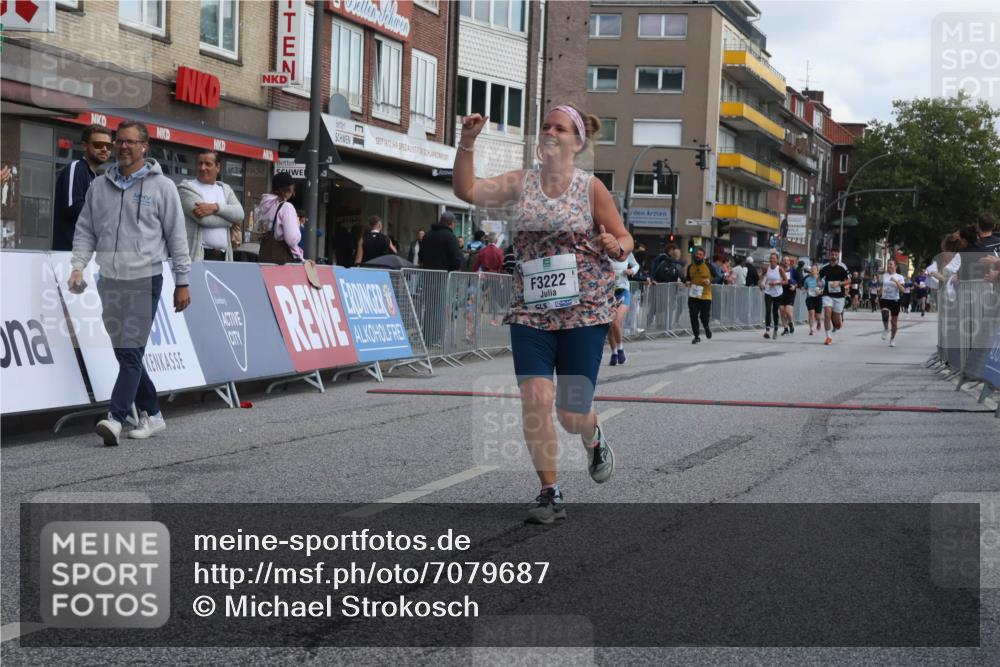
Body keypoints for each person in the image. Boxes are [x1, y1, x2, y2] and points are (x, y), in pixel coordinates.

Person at [453, 104, 631, 524]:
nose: (550, 132)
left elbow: (624, 238)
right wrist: (467, 142)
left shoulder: (591, 189)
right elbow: (467, 191)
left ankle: (592, 435)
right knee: (535, 398)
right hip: (531, 311)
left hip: (584, 311)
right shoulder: (522, 182)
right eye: (546, 126)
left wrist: (616, 246)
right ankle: (550, 492)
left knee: (571, 414)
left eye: (560, 128)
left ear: (576, 142)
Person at [66, 120, 191, 446]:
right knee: (125, 353)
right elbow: (86, 230)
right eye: (119, 141)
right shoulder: (99, 186)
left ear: (144, 146)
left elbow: (177, 237)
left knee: (131, 350)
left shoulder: (163, 187)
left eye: (130, 142)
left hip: (145, 278)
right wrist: (78, 267)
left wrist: (182, 281)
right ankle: (154, 414)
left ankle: (115, 418)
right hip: (109, 280)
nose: (122, 147)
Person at [53, 124, 113, 250]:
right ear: (84, 146)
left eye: (108, 146)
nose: (104, 149)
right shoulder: (76, 168)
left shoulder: (98, 179)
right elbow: (73, 207)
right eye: (98, 144)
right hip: (70, 253)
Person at [178, 151, 244, 262]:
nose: (203, 167)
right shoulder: (187, 188)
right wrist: (231, 221)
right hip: (199, 256)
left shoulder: (225, 189)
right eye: (200, 163)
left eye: (208, 164)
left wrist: (215, 207)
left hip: (224, 257)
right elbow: (205, 220)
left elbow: (240, 214)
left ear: (218, 167)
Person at [257, 172, 303, 263]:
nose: (293, 194)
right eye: (292, 190)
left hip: (266, 257)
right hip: (283, 261)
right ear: (288, 190)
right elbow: (292, 240)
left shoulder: (264, 205)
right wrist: (297, 225)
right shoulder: (286, 207)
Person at [608, 250, 639, 362]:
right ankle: (614, 353)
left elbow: (636, 265)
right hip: (608, 293)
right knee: (610, 326)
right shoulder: (604, 252)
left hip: (623, 291)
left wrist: (631, 270)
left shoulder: (626, 251)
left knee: (615, 321)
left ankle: (620, 349)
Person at [819, 249, 851, 345]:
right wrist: (819, 284)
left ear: (838, 256)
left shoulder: (842, 267)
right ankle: (828, 337)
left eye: (835, 255)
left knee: (837, 323)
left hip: (839, 296)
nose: (833, 256)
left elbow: (849, 280)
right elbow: (819, 279)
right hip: (827, 294)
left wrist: (839, 283)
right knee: (827, 313)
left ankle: (837, 321)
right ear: (830, 255)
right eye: (832, 254)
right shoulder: (824, 267)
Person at [685, 247, 713, 343]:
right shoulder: (690, 267)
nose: (698, 256)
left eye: (700, 254)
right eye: (697, 254)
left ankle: (706, 326)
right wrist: (687, 282)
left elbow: (718, 276)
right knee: (693, 316)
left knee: (704, 317)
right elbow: (688, 278)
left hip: (705, 295)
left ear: (704, 256)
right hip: (693, 295)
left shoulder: (708, 266)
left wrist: (709, 280)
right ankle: (696, 336)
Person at [878, 259, 906, 347]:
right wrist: (878, 296)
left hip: (895, 300)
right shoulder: (884, 276)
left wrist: (896, 281)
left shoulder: (900, 277)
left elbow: (903, 290)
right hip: (885, 299)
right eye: (888, 264)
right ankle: (886, 329)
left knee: (894, 322)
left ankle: (892, 339)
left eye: (891, 264)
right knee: (885, 314)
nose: (889, 266)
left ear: (895, 266)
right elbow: (882, 287)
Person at [759, 252, 785, 339]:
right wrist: (761, 284)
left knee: (775, 312)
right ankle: (767, 331)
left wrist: (776, 283)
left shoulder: (780, 269)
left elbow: (786, 281)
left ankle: (775, 330)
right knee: (768, 310)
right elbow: (762, 277)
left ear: (777, 260)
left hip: (778, 293)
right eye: (771, 258)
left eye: (774, 258)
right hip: (768, 292)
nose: (772, 260)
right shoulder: (766, 268)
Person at [779, 255, 798, 335]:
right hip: (781, 291)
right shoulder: (779, 270)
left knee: (788, 312)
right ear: (782, 262)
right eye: (784, 260)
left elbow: (798, 281)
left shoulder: (793, 270)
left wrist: (794, 286)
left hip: (790, 291)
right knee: (782, 311)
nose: (786, 262)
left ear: (789, 262)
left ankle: (790, 323)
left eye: (787, 260)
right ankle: (785, 328)